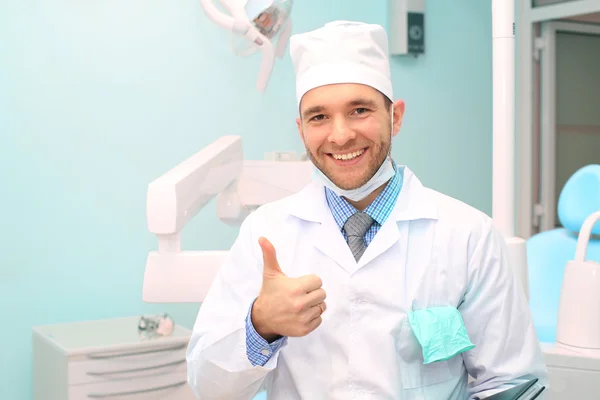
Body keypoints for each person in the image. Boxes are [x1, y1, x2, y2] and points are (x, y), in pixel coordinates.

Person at [185, 21, 547, 399]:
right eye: (319, 116)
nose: (340, 135)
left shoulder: (468, 235)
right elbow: (210, 389)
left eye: (359, 110)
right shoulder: (268, 233)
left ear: (396, 117)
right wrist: (261, 324)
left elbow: (512, 384)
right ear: (301, 128)